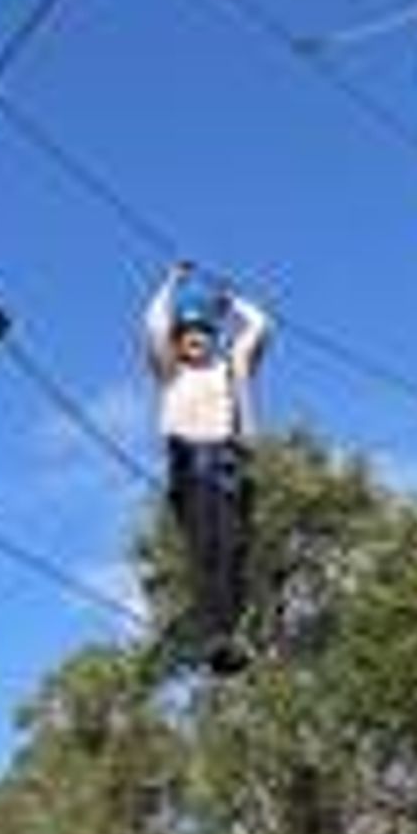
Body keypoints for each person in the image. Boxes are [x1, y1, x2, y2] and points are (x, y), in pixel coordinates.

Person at [144, 264, 272, 675]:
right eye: (187, 336)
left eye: (201, 334)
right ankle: (212, 633)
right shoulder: (171, 372)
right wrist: (171, 282)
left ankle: (230, 636)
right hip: (190, 463)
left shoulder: (232, 368)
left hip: (230, 464)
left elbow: (260, 326)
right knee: (206, 549)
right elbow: (153, 324)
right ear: (178, 343)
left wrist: (230, 301)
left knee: (233, 550)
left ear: (212, 339)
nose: (195, 341)